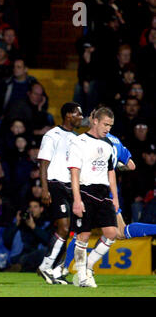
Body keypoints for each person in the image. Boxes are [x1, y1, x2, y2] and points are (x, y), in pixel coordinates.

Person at [64, 114, 156, 272]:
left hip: (91, 188)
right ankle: (80, 268)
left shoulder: (87, 141)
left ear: (94, 121)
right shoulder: (115, 141)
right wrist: (116, 166)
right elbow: (132, 165)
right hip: (110, 192)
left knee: (82, 231)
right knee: (118, 232)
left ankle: (64, 269)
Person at [67, 107, 119, 288]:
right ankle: (82, 277)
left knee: (112, 233)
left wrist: (115, 198)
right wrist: (76, 199)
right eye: (105, 124)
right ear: (95, 121)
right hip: (84, 191)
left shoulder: (109, 144)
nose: (108, 129)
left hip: (104, 193)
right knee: (83, 235)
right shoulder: (79, 142)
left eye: (111, 126)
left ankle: (88, 265)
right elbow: (74, 172)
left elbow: (111, 172)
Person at [36, 102, 83, 285]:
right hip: (55, 185)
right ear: (69, 115)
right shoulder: (52, 134)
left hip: (71, 187)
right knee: (63, 228)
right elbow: (43, 163)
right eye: (78, 114)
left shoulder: (78, 138)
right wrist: (45, 188)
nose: (81, 117)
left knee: (71, 231)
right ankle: (45, 266)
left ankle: (56, 271)